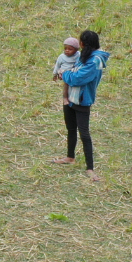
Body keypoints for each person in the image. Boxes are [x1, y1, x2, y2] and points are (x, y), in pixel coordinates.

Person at [53, 29, 109, 179]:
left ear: (83, 43)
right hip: (71, 98)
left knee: (84, 134)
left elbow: (78, 78)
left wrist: (63, 74)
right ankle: (70, 157)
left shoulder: (95, 60)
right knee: (71, 129)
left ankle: (90, 168)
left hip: (82, 100)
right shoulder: (85, 55)